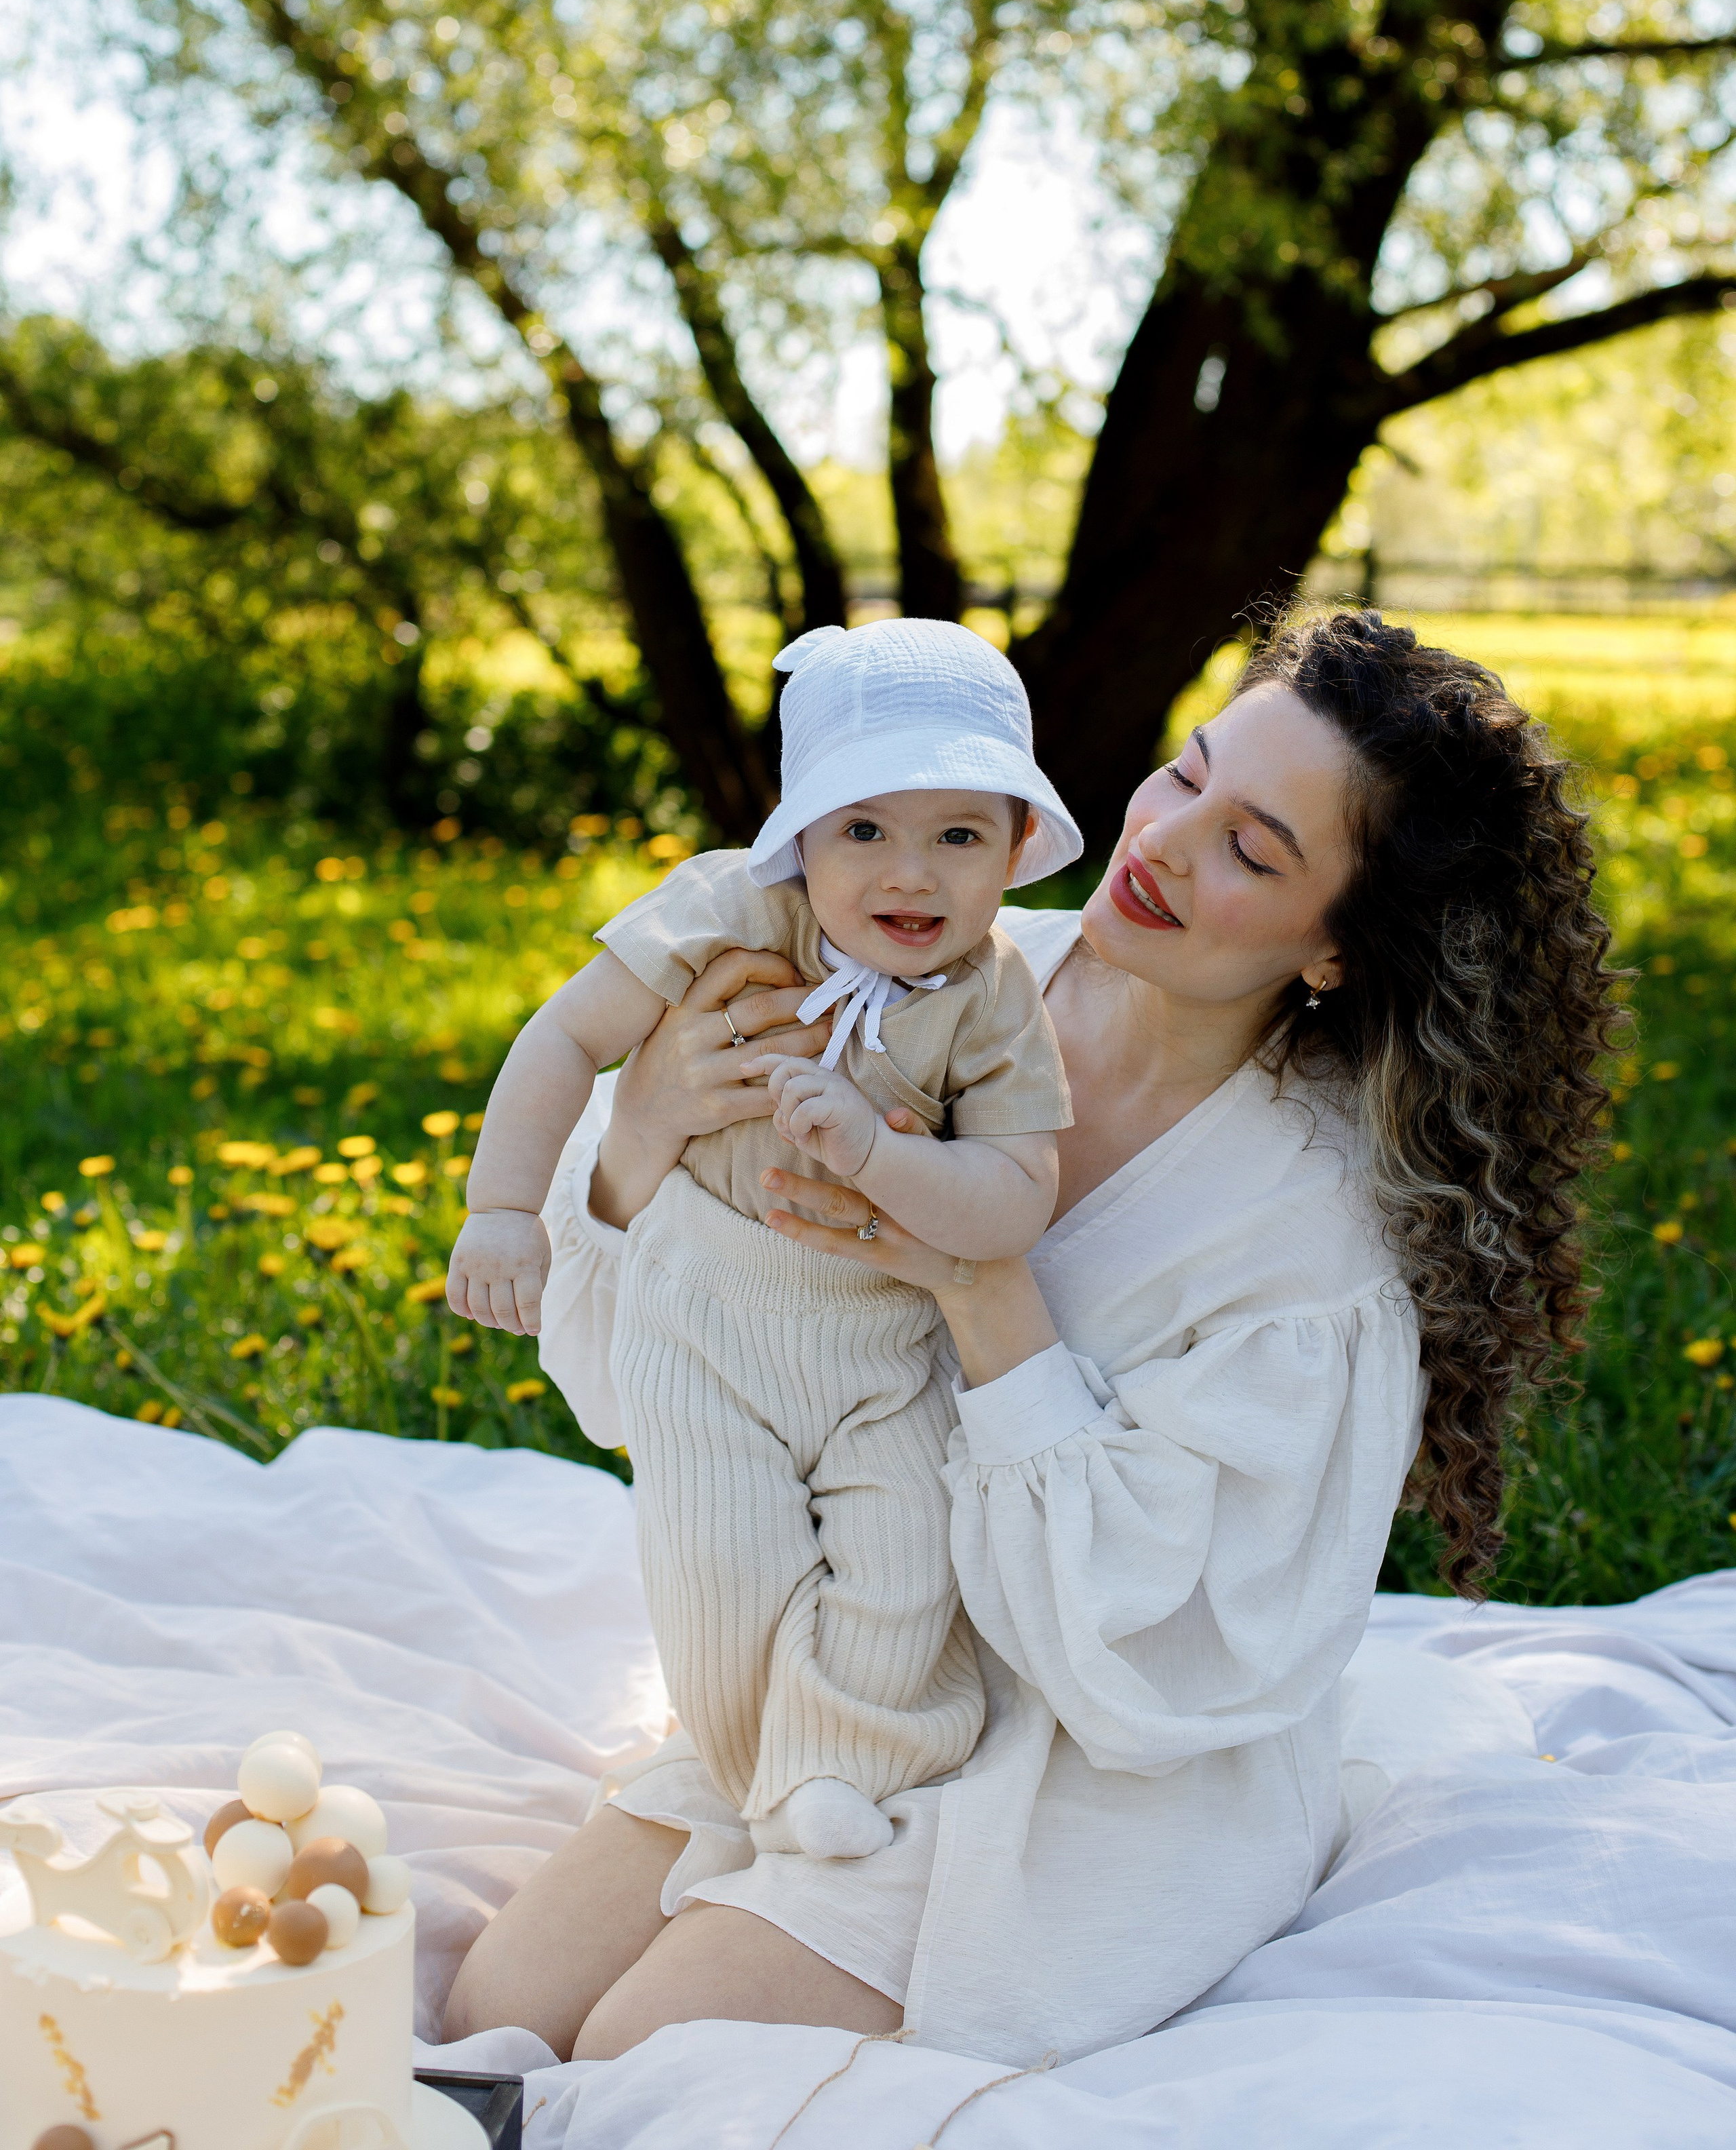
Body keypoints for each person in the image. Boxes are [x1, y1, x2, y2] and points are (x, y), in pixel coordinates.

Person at [443, 608, 1619, 2069]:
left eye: (1254, 851)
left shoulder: (1302, 1240)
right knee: (493, 2016)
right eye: (1185, 777)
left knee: (641, 2062)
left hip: (1080, 1765)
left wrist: (985, 1295)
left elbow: (1169, 1662)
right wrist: (645, 1135)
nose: (1170, 844)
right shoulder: (934, 962)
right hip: (826, 1668)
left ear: (1332, 949)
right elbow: (656, 1390)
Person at [447, 619, 1083, 1863]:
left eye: (957, 835)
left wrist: (883, 1155)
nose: (910, 877)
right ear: (800, 837)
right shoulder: (732, 908)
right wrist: (501, 1210)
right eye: (864, 830)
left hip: (881, 1336)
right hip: (707, 1312)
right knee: (717, 1560)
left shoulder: (996, 995)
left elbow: (1015, 1196)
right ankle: (761, 1773)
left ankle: (854, 1751)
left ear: (1016, 843)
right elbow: (565, 1038)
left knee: (905, 1550)